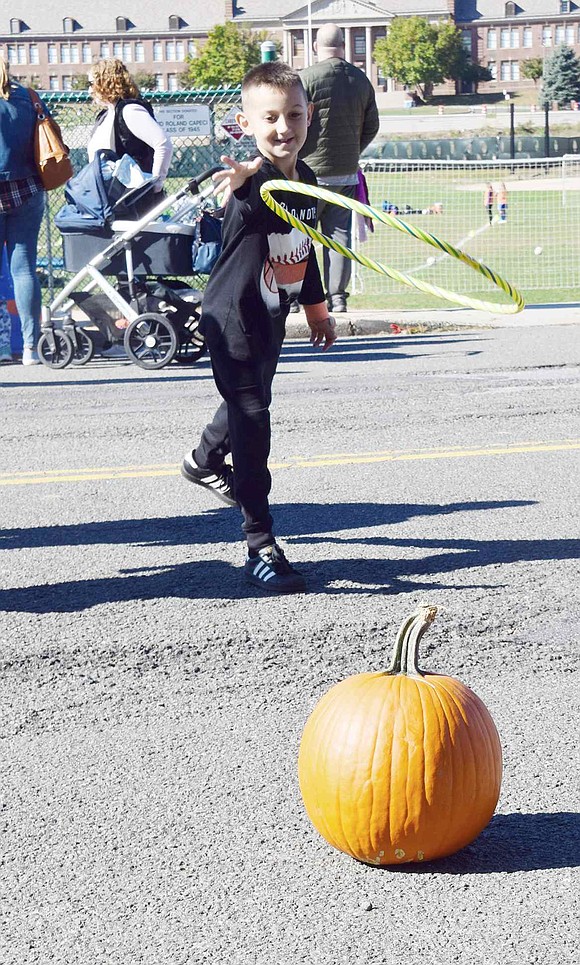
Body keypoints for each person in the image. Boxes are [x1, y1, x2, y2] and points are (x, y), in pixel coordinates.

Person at [181, 62, 337, 594]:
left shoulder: (307, 180)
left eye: (293, 115)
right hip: (232, 318)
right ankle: (260, 543)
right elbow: (247, 197)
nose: (283, 127)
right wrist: (245, 177)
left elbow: (304, 248)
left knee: (250, 401)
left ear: (309, 116)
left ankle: (202, 460)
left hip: (271, 314)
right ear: (247, 123)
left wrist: (316, 308)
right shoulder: (254, 183)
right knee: (253, 420)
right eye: (269, 118)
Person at [299, 23, 379, 313]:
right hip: (345, 173)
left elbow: (294, 122)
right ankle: (338, 297)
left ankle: (300, 296)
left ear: (315, 47)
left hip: (307, 174)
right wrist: (353, 150)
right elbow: (372, 126)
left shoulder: (305, 79)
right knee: (339, 236)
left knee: (301, 235)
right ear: (343, 46)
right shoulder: (361, 79)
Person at [0, 57, 46, 365]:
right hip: (27, 189)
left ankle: (2, 348)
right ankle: (32, 348)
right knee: (24, 270)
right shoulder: (28, 96)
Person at [87, 59, 172, 209]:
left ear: (106, 82)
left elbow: (163, 144)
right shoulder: (105, 115)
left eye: (92, 83)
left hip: (132, 199)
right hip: (111, 198)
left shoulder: (129, 110)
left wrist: (155, 185)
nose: (89, 90)